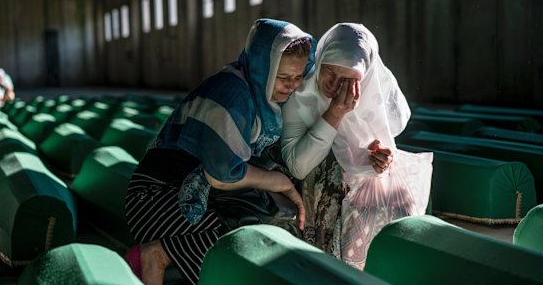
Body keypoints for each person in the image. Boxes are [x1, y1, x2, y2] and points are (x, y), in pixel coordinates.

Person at [124, 18, 316, 285]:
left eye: (297, 77)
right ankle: (154, 256)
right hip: (156, 197)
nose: (291, 86)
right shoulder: (231, 93)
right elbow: (221, 176)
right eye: (283, 77)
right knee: (240, 241)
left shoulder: (264, 99)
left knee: (261, 234)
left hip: (199, 193)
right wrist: (281, 183)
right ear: (262, 68)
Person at [281, 23, 432, 270]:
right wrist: (334, 114)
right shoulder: (301, 97)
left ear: (366, 76)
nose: (335, 86)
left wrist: (381, 156)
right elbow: (298, 167)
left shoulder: (372, 94)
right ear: (320, 62)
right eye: (330, 72)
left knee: (396, 197)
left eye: (349, 79)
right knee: (337, 178)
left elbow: (380, 140)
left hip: (363, 191)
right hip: (320, 193)